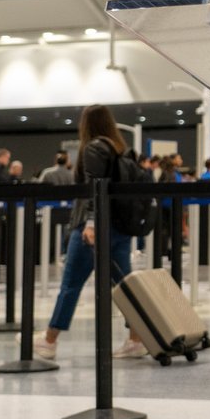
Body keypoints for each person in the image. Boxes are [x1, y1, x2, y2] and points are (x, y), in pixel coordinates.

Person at [34, 104, 147, 362]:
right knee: (124, 286)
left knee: (71, 284)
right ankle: (136, 339)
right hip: (120, 228)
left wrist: (91, 224)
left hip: (92, 227)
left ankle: (49, 340)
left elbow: (96, 188)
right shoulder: (120, 148)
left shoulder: (94, 148)